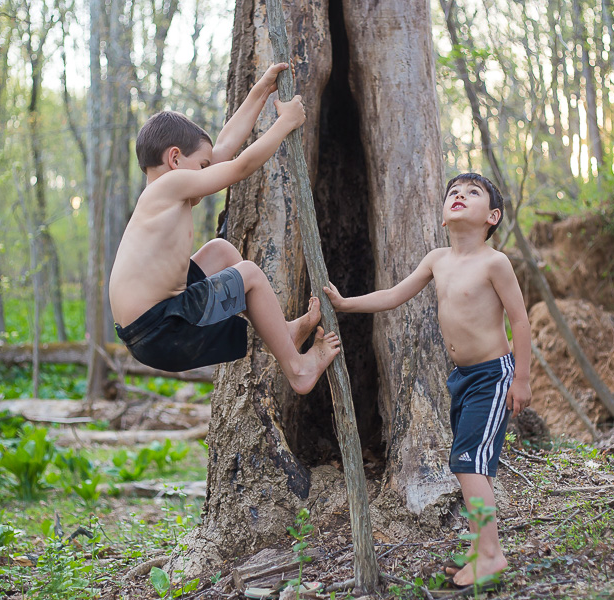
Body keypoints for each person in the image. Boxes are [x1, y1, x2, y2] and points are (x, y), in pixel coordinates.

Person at [323, 173, 532, 587]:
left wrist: (522, 378)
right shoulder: (437, 260)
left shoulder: (495, 262)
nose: (459, 196)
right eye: (454, 192)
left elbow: (521, 321)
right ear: (442, 216)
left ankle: (491, 554)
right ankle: (480, 545)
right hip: (462, 378)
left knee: (468, 462)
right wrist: (345, 304)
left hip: (493, 375)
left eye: (473, 193)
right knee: (473, 467)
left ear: (492, 216)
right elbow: (394, 295)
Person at [110, 63, 340, 395]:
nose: (208, 171)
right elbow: (239, 166)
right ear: (175, 159)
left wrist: (262, 90)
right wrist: (285, 123)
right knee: (248, 273)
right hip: (161, 327)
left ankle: (284, 334)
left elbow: (224, 148)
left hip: (152, 325)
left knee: (221, 252)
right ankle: (298, 369)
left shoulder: (165, 191)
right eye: (203, 167)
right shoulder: (171, 186)